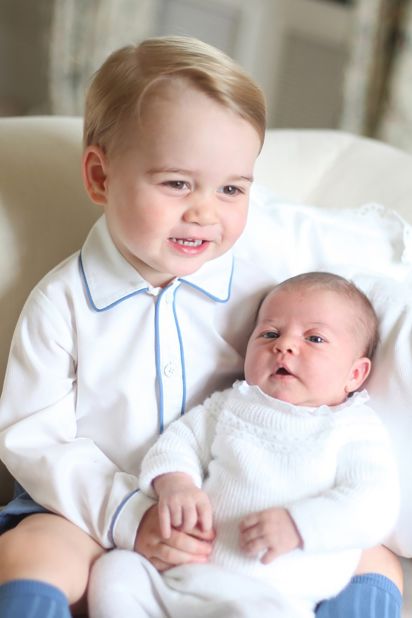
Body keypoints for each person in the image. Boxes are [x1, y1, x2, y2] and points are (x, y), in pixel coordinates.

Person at [0, 36, 402, 618]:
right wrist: (130, 516)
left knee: (372, 555)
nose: (205, 212)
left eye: (232, 189)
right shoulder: (63, 303)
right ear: (100, 176)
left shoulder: (268, 269)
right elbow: (36, 439)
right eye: (176, 184)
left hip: (246, 505)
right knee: (32, 553)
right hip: (90, 509)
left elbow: (372, 248)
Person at [87, 272, 400, 618]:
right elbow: (179, 441)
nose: (284, 345)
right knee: (115, 571)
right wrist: (176, 483)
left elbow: (375, 505)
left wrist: (300, 526)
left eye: (314, 338)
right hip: (181, 581)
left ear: (355, 374)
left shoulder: (353, 428)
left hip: (271, 598)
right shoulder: (230, 405)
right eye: (269, 333)